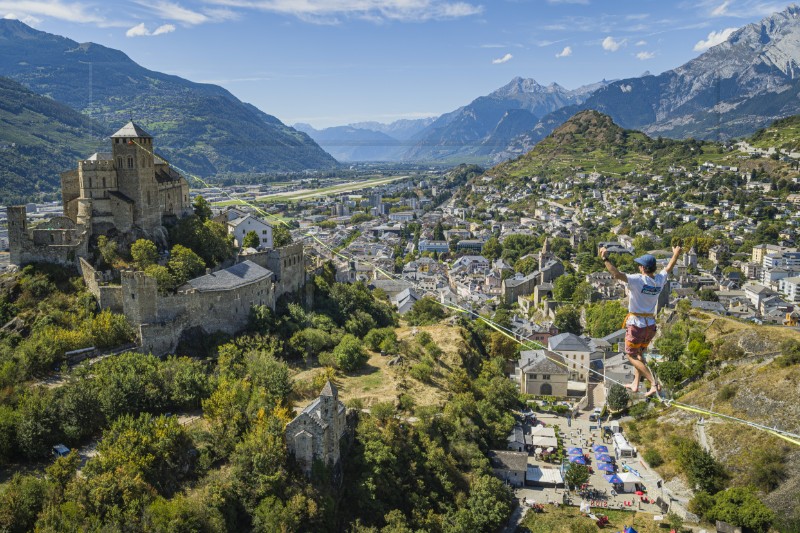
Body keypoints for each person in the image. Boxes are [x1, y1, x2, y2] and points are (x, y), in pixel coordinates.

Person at [599, 245, 682, 397]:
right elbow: (669, 267)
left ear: (643, 268)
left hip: (636, 324)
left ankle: (654, 383)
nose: (638, 267)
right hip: (650, 325)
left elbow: (616, 274)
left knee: (630, 355)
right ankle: (635, 384)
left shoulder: (638, 280)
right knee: (639, 355)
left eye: (639, 265)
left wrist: (605, 258)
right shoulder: (659, 280)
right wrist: (676, 253)